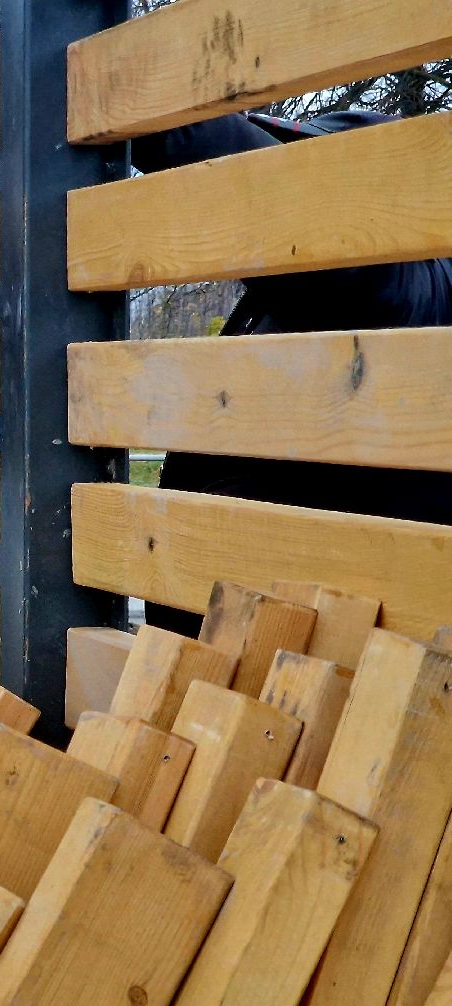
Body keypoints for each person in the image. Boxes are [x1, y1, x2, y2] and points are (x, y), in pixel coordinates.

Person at [130, 111, 452, 636]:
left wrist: (133, 109)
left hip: (303, 647)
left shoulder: (394, 283)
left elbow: (260, 184)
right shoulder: (344, 292)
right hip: (260, 633)